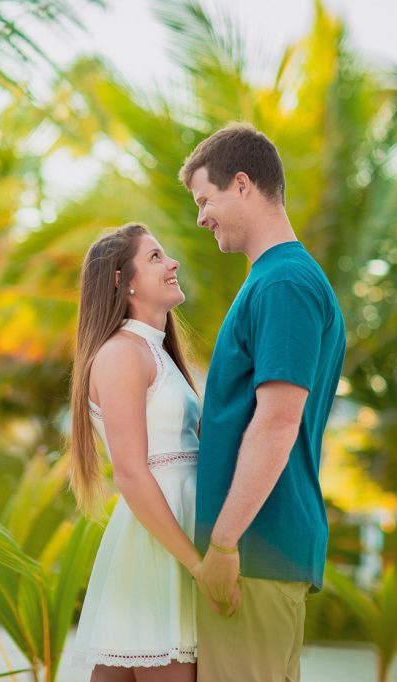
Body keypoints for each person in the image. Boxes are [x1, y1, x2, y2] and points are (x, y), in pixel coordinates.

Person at [179, 124, 346, 682]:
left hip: (252, 552)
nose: (200, 218)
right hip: (261, 553)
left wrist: (224, 545)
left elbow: (277, 422)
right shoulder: (276, 280)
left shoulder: (283, 284)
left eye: (205, 199)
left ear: (243, 184)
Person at [68, 223, 203, 682]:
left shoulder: (155, 351)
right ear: (122, 281)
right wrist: (197, 564)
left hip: (169, 540)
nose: (173, 263)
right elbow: (129, 472)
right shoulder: (123, 353)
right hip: (158, 548)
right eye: (155, 257)